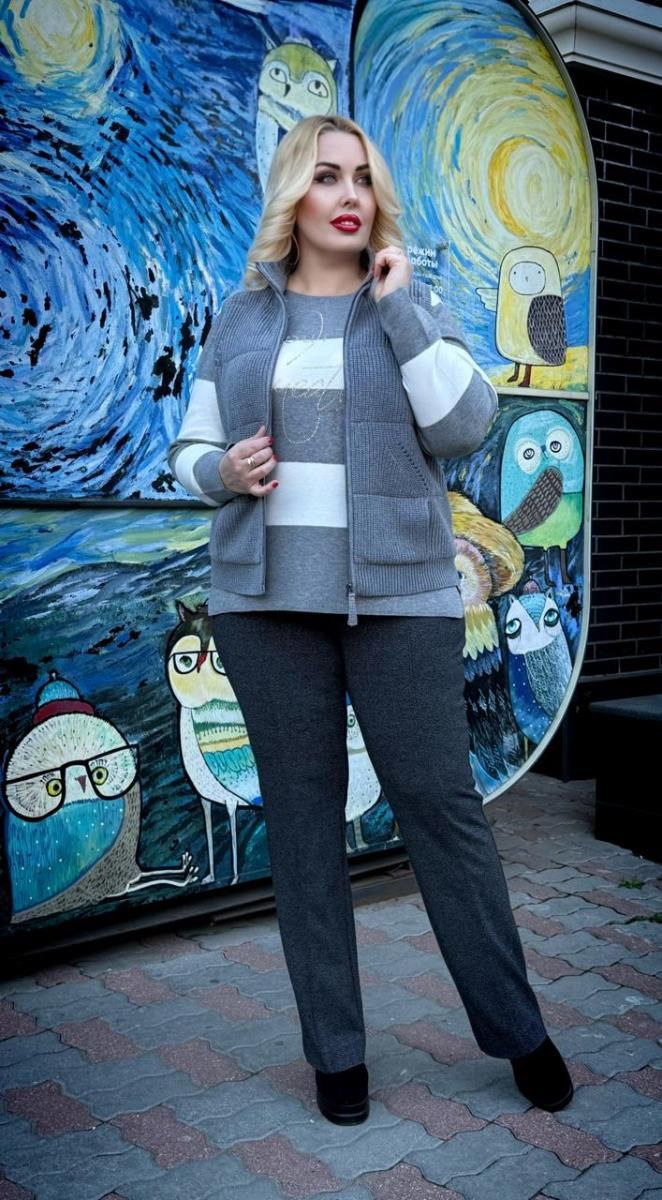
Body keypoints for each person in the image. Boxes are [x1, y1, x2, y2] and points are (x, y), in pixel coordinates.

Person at [168, 113, 573, 1125]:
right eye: (324, 176)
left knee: (440, 810)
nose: (346, 194)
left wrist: (397, 309)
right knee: (304, 827)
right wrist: (223, 472)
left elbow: (466, 425)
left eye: (360, 177)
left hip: (398, 601)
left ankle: (517, 1030)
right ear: (292, 195)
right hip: (265, 604)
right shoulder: (240, 318)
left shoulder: (409, 303)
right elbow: (190, 455)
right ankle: (335, 1054)